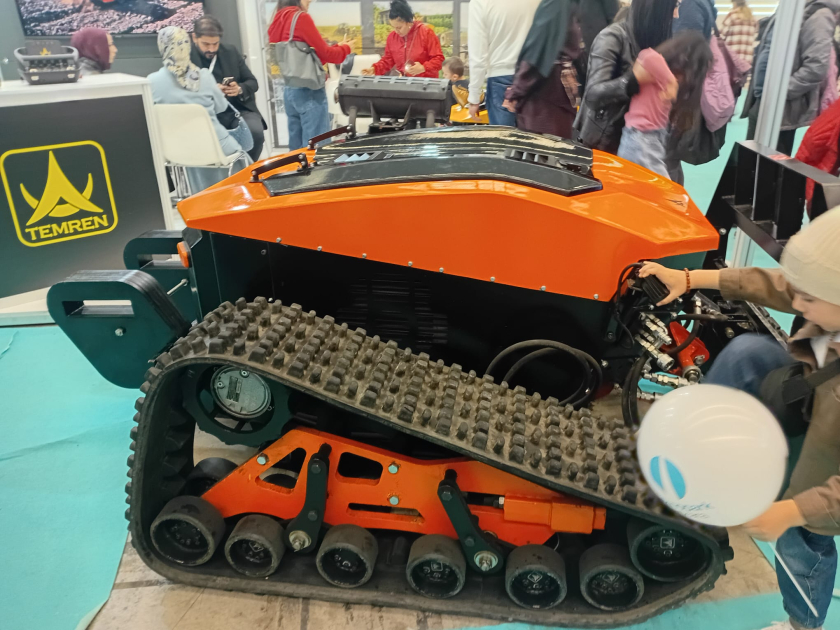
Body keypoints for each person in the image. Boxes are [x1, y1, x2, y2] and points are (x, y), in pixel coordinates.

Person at [638, 207, 840, 630]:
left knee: (803, 537)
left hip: (828, 461)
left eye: (809, 299)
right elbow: (777, 284)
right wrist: (688, 279)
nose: (796, 303)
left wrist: (792, 511)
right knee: (748, 353)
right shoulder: (825, 294)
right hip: (813, 397)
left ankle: (804, 622)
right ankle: (696, 461)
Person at [148, 27, 253, 192]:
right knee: (239, 156)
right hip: (216, 147)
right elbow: (221, 107)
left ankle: (202, 195)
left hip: (176, 150)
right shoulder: (204, 76)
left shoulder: (152, 81)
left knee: (196, 157)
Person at [574, 0, 678, 153]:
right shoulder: (612, 37)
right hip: (605, 141)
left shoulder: (658, 41)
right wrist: (632, 80)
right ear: (658, 10)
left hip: (644, 139)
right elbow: (593, 95)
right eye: (674, 7)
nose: (677, 14)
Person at [744, 0, 840, 156]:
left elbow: (816, 67)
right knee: (751, 158)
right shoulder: (793, 8)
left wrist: (780, 92)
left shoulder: (819, 15)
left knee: (769, 162)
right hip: (765, 100)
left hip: (780, 106)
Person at [617, 31, 712, 178]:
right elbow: (647, 55)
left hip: (649, 138)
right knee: (662, 188)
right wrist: (671, 82)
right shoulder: (659, 71)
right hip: (641, 137)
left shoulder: (662, 77)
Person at [269, 0, 354, 151]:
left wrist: (337, 47)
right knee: (316, 151)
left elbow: (307, 59)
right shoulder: (300, 18)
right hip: (310, 91)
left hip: (290, 90)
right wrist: (346, 48)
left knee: (296, 152)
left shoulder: (277, 20)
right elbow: (327, 55)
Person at [190, 15, 266, 162]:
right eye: (206, 44)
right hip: (204, 113)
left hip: (236, 110)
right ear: (195, 38)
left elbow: (252, 82)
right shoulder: (185, 58)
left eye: (215, 44)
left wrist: (239, 89)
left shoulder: (230, 52)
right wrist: (210, 90)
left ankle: (247, 169)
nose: (211, 49)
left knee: (255, 131)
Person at [502, 0, 582, 138]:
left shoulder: (555, 4)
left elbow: (537, 54)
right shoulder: (567, 4)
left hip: (543, 97)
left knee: (543, 148)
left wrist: (515, 92)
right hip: (559, 92)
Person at [466, 0, 541, 126]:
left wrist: (474, 97)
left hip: (501, 78)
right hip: (536, 76)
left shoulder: (481, 3)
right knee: (536, 137)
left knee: (505, 137)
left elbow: (478, 57)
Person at [362, 0, 444, 79]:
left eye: (399, 27)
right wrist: (374, 69)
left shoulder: (426, 33)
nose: (396, 31)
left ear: (409, 22)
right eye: (393, 27)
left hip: (425, 83)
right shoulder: (392, 37)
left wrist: (423, 68)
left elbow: (439, 59)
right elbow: (388, 60)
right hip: (404, 82)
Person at [720, 0, 759, 64]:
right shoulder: (753, 19)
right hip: (747, 61)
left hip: (732, 59)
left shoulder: (731, 16)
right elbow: (755, 37)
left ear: (734, 3)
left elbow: (720, 36)